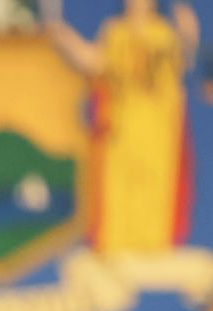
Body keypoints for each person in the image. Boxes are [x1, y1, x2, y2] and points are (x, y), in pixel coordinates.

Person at [49, 0, 200, 253]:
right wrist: (63, 36)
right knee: (119, 182)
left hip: (157, 126)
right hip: (121, 124)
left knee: (154, 180)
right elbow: (94, 63)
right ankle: (116, 244)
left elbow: (183, 57)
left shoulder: (164, 32)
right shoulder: (114, 31)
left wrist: (188, 32)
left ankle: (152, 244)